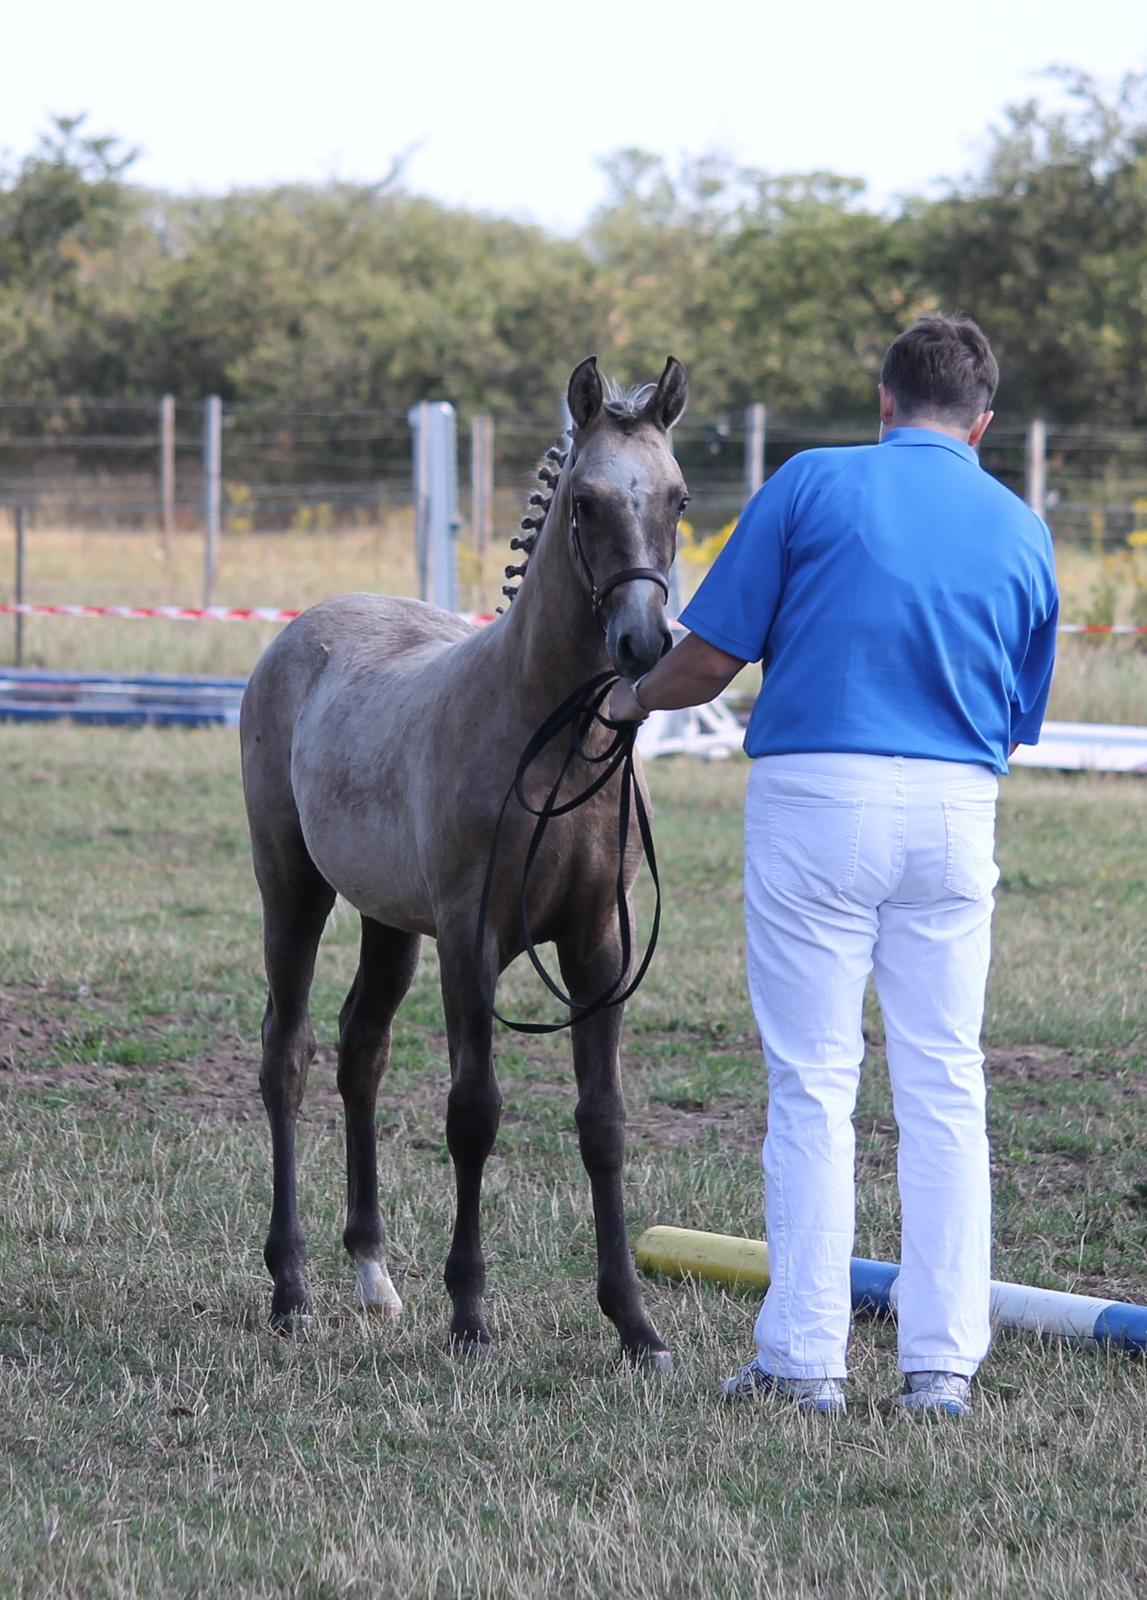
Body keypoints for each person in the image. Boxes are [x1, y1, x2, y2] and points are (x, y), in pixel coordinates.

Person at [609, 315, 1059, 1417]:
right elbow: (1015, 718)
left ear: (883, 401)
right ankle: (939, 1367)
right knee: (946, 1083)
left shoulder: (812, 482)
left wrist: (624, 699)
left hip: (817, 798)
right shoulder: (1022, 526)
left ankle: (804, 1359)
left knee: (813, 1081)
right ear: (983, 423)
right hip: (956, 808)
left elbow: (708, 660)